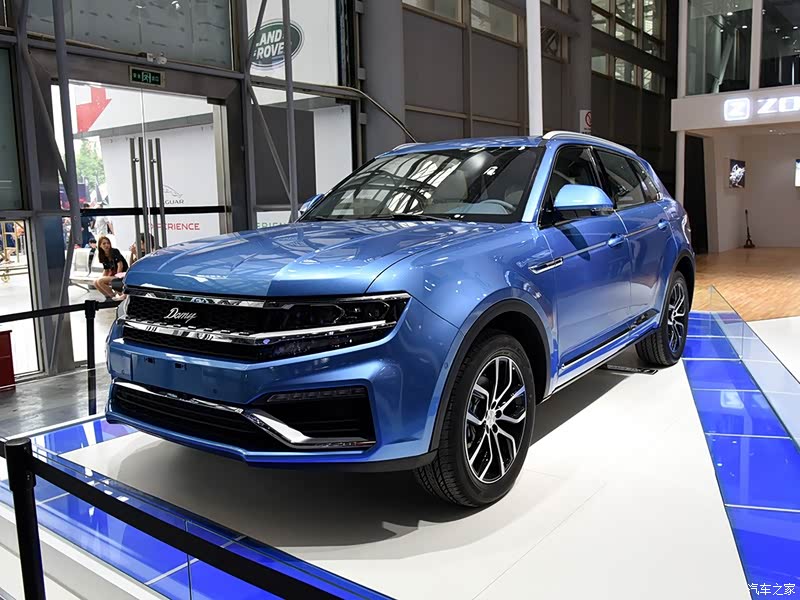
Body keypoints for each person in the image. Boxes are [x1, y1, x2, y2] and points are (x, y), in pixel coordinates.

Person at [94, 235, 128, 300]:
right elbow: (106, 270)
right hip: (113, 275)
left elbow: (120, 265)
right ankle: (108, 297)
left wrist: (117, 276)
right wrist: (102, 277)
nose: (106, 245)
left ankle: (112, 297)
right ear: (100, 245)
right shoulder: (103, 255)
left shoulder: (115, 251)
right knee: (95, 282)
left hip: (121, 275)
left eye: (108, 243)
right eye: (104, 243)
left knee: (100, 281)